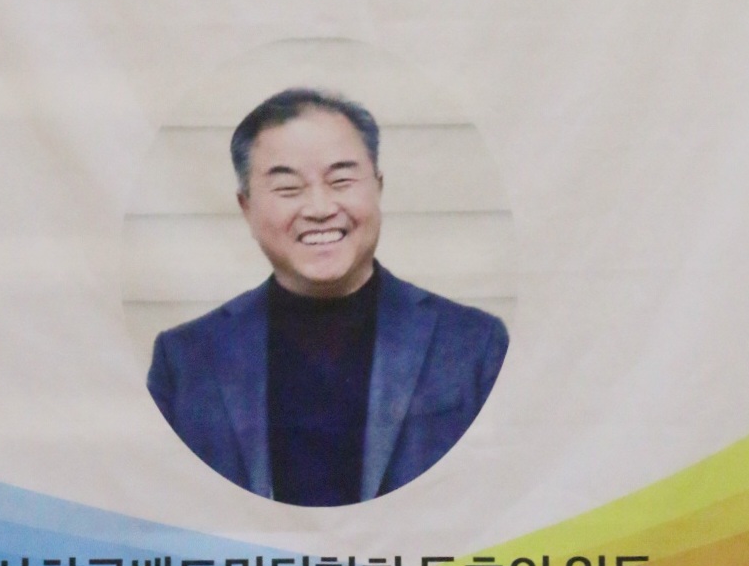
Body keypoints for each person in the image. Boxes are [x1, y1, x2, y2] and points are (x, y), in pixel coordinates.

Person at [147, 88, 509, 506]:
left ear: (378, 188)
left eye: (341, 181)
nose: (319, 208)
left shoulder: (473, 345)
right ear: (246, 208)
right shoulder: (185, 360)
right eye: (288, 188)